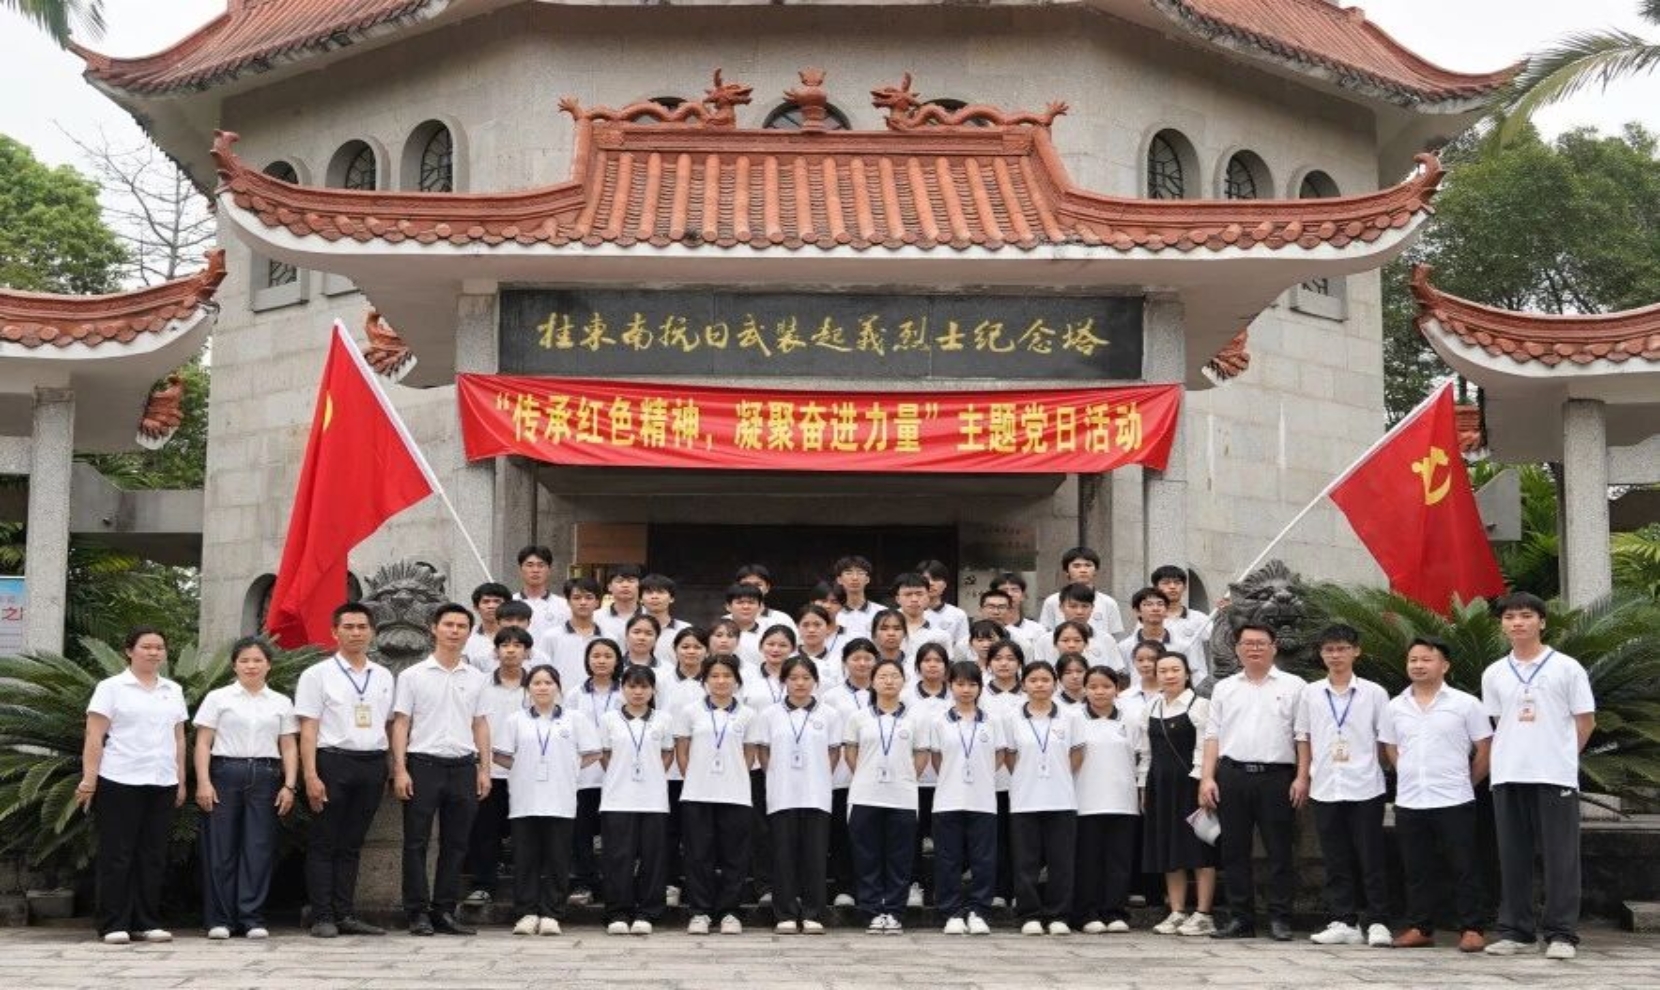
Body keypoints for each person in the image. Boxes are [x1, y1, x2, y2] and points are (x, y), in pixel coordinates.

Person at [1481, 592, 1597, 960]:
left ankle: (1561, 934)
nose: (1517, 622)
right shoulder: (1494, 672)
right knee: (1512, 856)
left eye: (1526, 615)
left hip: (1554, 775)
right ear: (1502, 625)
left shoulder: (1567, 667)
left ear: (1542, 622)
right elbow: (1499, 721)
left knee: (1560, 857)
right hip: (1508, 774)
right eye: (1509, 617)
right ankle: (1517, 931)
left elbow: (1585, 721)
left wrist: (1562, 756)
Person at [1379, 637, 1492, 953]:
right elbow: (1390, 747)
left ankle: (1472, 928)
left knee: (1464, 866)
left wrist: (1468, 782)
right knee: (1416, 868)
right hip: (1410, 800)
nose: (1418, 665)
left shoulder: (1466, 704)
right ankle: (1420, 927)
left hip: (1455, 799)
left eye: (1426, 659)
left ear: (1445, 665)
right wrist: (1407, 773)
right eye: (1413, 659)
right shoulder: (1395, 706)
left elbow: (1485, 748)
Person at [78, 626, 188, 945]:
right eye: (146, 646)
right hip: (120, 778)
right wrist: (89, 779)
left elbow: (179, 738)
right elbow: (94, 735)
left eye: (159, 647)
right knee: (118, 853)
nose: (154, 652)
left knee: (153, 854)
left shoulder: (173, 689)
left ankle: (146, 921)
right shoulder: (111, 688)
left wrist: (180, 780)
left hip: (162, 780)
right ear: (129, 651)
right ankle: (114, 922)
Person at [294, 603, 396, 938]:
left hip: (372, 763)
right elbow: (308, 728)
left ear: (373, 632)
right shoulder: (317, 674)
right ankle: (322, 915)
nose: (356, 633)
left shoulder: (382, 675)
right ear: (334, 632)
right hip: (332, 762)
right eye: (348, 627)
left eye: (362, 627)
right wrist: (311, 775)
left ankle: (345, 913)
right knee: (324, 841)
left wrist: (392, 767)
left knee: (352, 843)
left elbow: (388, 724)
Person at [1199, 622, 1306, 941]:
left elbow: (1303, 736)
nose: (1254, 648)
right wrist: (1207, 777)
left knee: (1279, 851)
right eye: (1247, 643)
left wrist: (1302, 776)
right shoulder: (1225, 687)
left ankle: (1280, 918)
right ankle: (1240, 918)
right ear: (1237, 649)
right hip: (1232, 776)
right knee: (1234, 851)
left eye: (1261, 643)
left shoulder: (1295, 686)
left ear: (1274, 648)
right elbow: (1212, 735)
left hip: (1277, 777)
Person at [391, 603, 492, 935]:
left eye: (461, 626)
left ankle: (445, 910)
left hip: (463, 766)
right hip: (423, 764)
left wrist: (484, 769)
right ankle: (417, 912)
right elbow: (401, 723)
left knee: (457, 843)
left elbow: (480, 724)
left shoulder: (476, 678)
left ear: (468, 632)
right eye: (448, 624)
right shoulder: (412, 676)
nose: (454, 631)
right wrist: (400, 769)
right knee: (416, 842)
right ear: (433, 628)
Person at [193, 636, 298, 940]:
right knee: (220, 847)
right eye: (244, 660)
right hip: (225, 772)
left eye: (257, 660)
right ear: (234, 665)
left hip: (266, 775)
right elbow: (203, 742)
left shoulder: (281, 702)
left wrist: (289, 785)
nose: (251, 666)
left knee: (258, 847)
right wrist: (204, 781)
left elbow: (289, 746)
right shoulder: (218, 698)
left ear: (269, 665)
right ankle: (220, 919)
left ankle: (251, 918)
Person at [1295, 624, 1392, 948]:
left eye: (1342, 648)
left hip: (1365, 784)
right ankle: (1344, 920)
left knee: (1371, 856)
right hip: (1325, 785)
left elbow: (1385, 738)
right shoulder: (1310, 693)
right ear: (1321, 654)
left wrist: (1381, 767)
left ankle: (1378, 920)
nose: (1335, 655)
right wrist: (1303, 776)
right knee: (1335, 857)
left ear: (1356, 651)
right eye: (1329, 650)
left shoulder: (1374, 693)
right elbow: (1303, 737)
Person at [495, 665, 599, 936]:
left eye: (548, 682)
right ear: (528, 688)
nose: (542, 687)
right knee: (525, 858)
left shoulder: (574, 719)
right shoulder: (515, 720)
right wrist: (523, 768)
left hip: (560, 798)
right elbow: (501, 755)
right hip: (525, 800)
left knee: (558, 858)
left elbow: (593, 753)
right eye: (536, 683)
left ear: (558, 687)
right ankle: (526, 913)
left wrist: (570, 767)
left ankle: (552, 913)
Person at [756, 656, 843, 933]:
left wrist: (819, 775)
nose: (800, 683)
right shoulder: (770, 714)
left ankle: (813, 912)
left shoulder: (829, 714)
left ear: (815, 681)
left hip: (816, 793)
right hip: (782, 793)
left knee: (814, 855)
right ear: (783, 681)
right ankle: (785, 912)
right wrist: (776, 775)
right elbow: (764, 751)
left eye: (806, 678)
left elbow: (833, 751)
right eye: (793, 678)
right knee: (783, 854)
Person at [674, 654, 758, 935]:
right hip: (697, 793)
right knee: (698, 855)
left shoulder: (748, 714)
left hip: (735, 794)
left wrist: (736, 777)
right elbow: (682, 752)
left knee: (735, 855)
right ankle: (700, 911)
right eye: (714, 676)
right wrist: (694, 778)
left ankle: (730, 911)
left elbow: (749, 753)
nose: (721, 681)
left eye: (727, 676)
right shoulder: (690, 712)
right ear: (705, 680)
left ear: (737, 680)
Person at [844, 657, 928, 934]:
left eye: (894, 676)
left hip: (902, 796)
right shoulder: (858, 717)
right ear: (872, 681)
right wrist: (865, 775)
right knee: (866, 856)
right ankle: (871, 911)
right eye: (882, 676)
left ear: (904, 681)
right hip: (865, 795)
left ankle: (893, 911)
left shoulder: (915, 718)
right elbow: (851, 753)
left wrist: (906, 777)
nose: (889, 681)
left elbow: (921, 755)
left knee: (899, 857)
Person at [1003, 659, 1084, 935]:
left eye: (1045, 680)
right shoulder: (1012, 717)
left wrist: (1058, 774)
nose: (1039, 685)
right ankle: (1029, 914)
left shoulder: (1071, 716)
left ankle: (1059, 914)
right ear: (1023, 684)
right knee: (1025, 861)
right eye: (1033, 680)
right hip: (1024, 799)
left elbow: (1077, 754)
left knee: (1061, 861)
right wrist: (1028, 776)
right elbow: (1010, 756)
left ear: (1055, 683)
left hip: (1061, 798)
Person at [1142, 650, 1217, 936]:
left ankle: (1203, 914)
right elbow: (1146, 752)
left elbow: (1205, 747)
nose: (1169, 675)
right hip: (1160, 785)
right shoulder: (1151, 707)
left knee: (1200, 847)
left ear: (1187, 674)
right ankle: (1176, 911)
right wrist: (1144, 787)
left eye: (1175, 670)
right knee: (1168, 847)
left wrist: (1202, 782)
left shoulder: (1200, 705)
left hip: (1192, 785)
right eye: (1163, 671)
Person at [927, 661, 1005, 935]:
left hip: (983, 800)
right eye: (960, 684)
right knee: (948, 858)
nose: (966, 689)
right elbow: (937, 758)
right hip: (948, 799)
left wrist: (981, 775)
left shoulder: (992, 721)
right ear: (950, 686)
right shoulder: (939, 721)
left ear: (980, 688)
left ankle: (979, 910)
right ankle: (951, 912)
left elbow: (999, 755)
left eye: (972, 684)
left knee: (983, 860)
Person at [598, 665, 675, 935]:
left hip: (653, 799)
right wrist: (619, 774)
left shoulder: (663, 719)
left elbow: (667, 753)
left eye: (644, 686)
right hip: (617, 798)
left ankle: (648, 912)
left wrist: (653, 774)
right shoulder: (609, 719)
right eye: (632, 686)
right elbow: (605, 754)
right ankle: (617, 912)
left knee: (653, 856)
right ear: (622, 689)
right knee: (618, 856)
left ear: (653, 690)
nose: (638, 692)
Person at [1072, 666, 1146, 934]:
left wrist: (1142, 789)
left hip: (1123, 799)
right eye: (1093, 687)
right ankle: (1087, 913)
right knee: (1088, 860)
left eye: (1106, 686)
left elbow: (1143, 756)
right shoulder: (1073, 718)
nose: (1099, 692)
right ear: (1084, 689)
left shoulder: (1132, 718)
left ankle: (1115, 911)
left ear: (1117, 689)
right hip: (1085, 800)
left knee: (1119, 860)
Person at [463, 627, 533, 909]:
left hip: (528, 772)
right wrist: (479, 765)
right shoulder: (480, 684)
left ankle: (527, 889)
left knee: (525, 833)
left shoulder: (539, 683)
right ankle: (483, 885)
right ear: (495, 651)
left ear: (528, 652)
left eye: (518, 645)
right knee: (485, 831)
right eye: (505, 645)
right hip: (490, 769)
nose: (511, 650)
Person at [824, 638, 879, 908]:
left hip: (877, 777)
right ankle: (844, 886)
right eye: (856, 658)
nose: (862, 663)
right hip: (842, 776)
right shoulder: (832, 696)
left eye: (868, 658)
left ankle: (872, 886)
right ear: (845, 662)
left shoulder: (886, 693)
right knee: (842, 833)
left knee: (872, 835)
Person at [569, 637, 623, 906]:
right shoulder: (575, 694)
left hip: (618, 775)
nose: (601, 660)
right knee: (581, 833)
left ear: (617, 661)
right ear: (587, 660)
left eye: (608, 656)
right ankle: (584, 883)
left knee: (616, 835)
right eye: (596, 655)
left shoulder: (627, 690)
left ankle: (615, 884)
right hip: (584, 775)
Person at [662, 626, 710, 908]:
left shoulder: (715, 679)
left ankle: (698, 886)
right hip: (670, 770)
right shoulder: (661, 680)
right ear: (675, 650)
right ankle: (670, 883)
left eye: (697, 646)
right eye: (685, 646)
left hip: (706, 771)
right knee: (670, 831)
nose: (691, 651)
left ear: (706, 650)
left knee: (700, 833)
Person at [981, 639, 1026, 908]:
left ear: (1019, 663)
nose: (1004, 663)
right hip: (993, 779)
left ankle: (1022, 889)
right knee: (996, 838)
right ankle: (998, 889)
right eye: (998, 659)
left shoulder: (1031, 693)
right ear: (989, 664)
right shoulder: (980, 696)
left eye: (1010, 658)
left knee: (1023, 839)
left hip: (1027, 780)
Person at [908, 642, 953, 908]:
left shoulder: (957, 695)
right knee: (912, 837)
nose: (932, 665)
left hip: (947, 781)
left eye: (938, 660)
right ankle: (914, 884)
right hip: (914, 780)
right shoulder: (906, 696)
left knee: (945, 839)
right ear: (918, 666)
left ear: (946, 666)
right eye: (927, 660)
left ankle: (942, 887)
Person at [1038, 548, 1124, 637]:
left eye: (1088, 565)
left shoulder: (1108, 602)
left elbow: (1115, 637)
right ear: (1066, 571)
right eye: (1076, 566)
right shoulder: (1052, 601)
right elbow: (1046, 633)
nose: (1083, 570)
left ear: (1095, 570)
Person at [539, 576, 603, 692]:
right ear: (568, 602)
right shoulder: (551, 636)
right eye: (577, 598)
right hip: (560, 698)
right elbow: (542, 671)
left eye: (589, 598)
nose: (583, 602)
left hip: (597, 698)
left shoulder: (608, 637)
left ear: (597, 602)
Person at [513, 545, 570, 637]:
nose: (535, 570)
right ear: (520, 570)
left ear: (549, 570)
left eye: (541, 565)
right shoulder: (510, 602)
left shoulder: (564, 606)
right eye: (530, 565)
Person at [893, 573, 953, 661]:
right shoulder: (885, 632)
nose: (914, 599)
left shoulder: (941, 635)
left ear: (928, 597)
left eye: (919, 594)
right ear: (897, 599)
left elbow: (946, 665)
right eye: (908, 594)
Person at [1151, 565, 1210, 645]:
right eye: (1166, 583)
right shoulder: (1149, 619)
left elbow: (1219, 641)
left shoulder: (1199, 618)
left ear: (1184, 587)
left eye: (1177, 583)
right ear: (1156, 588)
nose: (1172, 587)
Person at [640, 574, 691, 667]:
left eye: (660, 592)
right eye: (649, 592)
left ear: (672, 598)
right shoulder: (631, 629)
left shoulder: (685, 629)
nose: (654, 597)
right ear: (641, 599)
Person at [462, 581, 512, 673]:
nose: (491, 606)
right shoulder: (466, 636)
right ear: (476, 607)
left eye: (497, 601)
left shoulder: (518, 635)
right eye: (486, 602)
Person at [916, 559, 969, 645]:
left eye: (936, 579)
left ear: (945, 584)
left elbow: (962, 647)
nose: (931, 583)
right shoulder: (903, 613)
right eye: (926, 579)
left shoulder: (958, 615)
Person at [993, 572, 1048, 649]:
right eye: (1004, 590)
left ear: (1023, 596)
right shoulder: (985, 628)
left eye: (1014, 590)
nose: (1009, 594)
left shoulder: (1038, 630)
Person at [797, 603, 845, 689]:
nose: (811, 630)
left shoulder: (839, 662)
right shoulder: (787, 658)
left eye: (817, 625)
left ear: (828, 628)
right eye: (805, 625)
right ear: (798, 627)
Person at [833, 555, 880, 639]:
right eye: (848, 573)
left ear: (867, 579)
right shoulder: (833, 615)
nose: (855, 578)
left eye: (860, 573)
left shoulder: (881, 612)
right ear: (839, 580)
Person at [595, 564, 645, 641]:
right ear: (609, 587)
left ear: (639, 585)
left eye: (631, 581)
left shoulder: (650, 615)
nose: (625, 585)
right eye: (619, 581)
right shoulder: (596, 617)